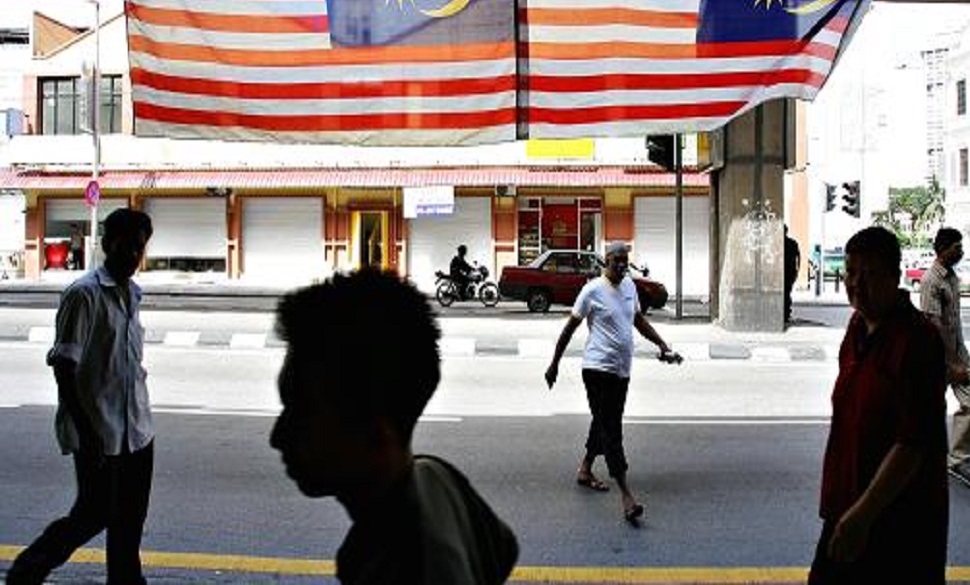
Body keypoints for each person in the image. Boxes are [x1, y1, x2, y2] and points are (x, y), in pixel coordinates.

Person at [270, 268, 519, 584]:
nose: (277, 437)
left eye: (300, 413)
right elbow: (504, 547)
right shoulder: (436, 476)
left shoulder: (402, 568)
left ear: (377, 438)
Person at [8, 208, 155, 585]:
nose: (132, 256)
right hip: (100, 433)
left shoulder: (132, 295)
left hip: (137, 433)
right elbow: (64, 368)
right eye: (125, 246)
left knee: (129, 525)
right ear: (106, 244)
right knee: (93, 513)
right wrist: (87, 434)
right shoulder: (84, 295)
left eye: (139, 248)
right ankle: (28, 570)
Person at [809, 227, 948, 584]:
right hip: (847, 508)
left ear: (894, 277)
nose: (856, 283)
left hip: (897, 519)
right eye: (851, 272)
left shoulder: (918, 340)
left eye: (869, 274)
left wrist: (863, 515)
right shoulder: (856, 328)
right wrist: (846, 512)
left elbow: (912, 444)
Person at [544, 241, 677, 526]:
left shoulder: (629, 287)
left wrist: (663, 345)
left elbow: (638, 321)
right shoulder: (592, 290)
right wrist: (554, 363)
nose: (621, 265)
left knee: (603, 420)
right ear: (606, 261)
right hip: (596, 370)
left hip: (621, 371)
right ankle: (627, 496)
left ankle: (585, 468)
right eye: (616, 260)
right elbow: (569, 328)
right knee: (611, 428)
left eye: (624, 261)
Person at [918, 227, 970, 491]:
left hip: (959, 350)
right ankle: (911, 459)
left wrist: (959, 357)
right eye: (957, 247)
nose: (961, 251)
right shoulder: (930, 280)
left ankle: (957, 459)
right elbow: (933, 324)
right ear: (943, 249)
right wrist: (952, 362)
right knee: (925, 411)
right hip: (939, 356)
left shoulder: (952, 276)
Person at [784, 225, 800, 324]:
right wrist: (797, 270)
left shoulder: (780, 243)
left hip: (785, 271)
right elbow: (798, 257)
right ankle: (787, 312)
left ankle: (785, 312)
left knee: (785, 293)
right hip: (790, 271)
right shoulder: (793, 243)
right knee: (787, 292)